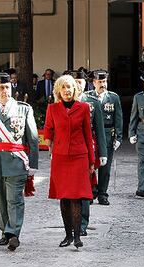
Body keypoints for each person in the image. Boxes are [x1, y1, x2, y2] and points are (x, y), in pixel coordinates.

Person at [0, 73, 39, 251]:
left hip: (16, 163)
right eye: (1, 88)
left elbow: (32, 139)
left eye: (7, 88)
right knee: (1, 200)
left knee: (14, 199)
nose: (5, 91)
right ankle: (5, 232)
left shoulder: (24, 109)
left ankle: (13, 234)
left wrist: (33, 164)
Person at [44, 75, 95, 249]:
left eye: (70, 87)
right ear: (58, 90)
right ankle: (67, 235)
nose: (67, 91)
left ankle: (78, 236)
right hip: (60, 157)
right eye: (63, 87)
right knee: (64, 197)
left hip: (79, 156)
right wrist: (49, 144)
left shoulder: (83, 108)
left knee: (77, 197)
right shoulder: (52, 109)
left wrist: (92, 161)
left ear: (75, 90)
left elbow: (88, 134)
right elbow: (48, 130)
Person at [69, 70, 107, 236]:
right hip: (68, 150)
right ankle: (70, 221)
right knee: (69, 188)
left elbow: (99, 130)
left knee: (84, 187)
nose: (78, 85)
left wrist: (103, 153)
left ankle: (82, 224)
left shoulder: (92, 102)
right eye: (75, 82)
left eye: (81, 82)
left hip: (86, 149)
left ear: (87, 84)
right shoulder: (62, 102)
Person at [87, 70, 123, 205]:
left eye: (104, 81)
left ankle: (103, 193)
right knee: (90, 164)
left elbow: (118, 118)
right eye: (100, 82)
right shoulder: (87, 97)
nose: (103, 84)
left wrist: (118, 137)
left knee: (105, 167)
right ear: (94, 82)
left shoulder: (113, 97)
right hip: (92, 136)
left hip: (108, 135)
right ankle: (90, 192)